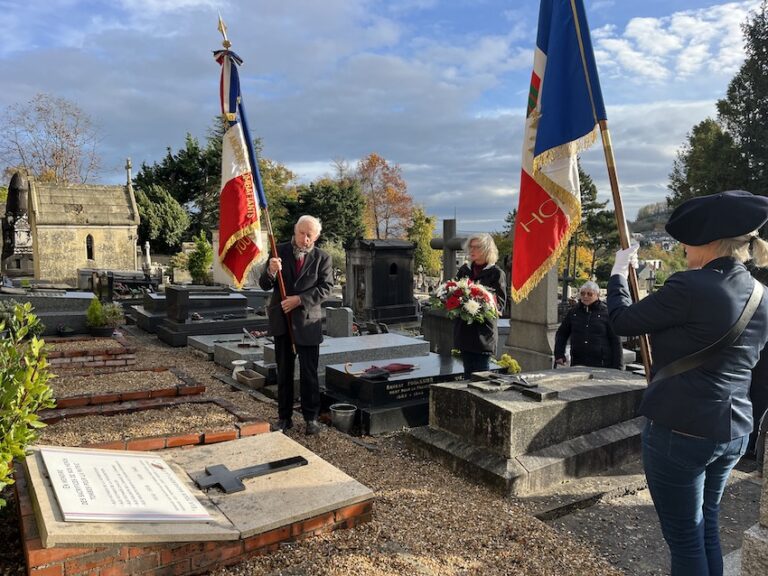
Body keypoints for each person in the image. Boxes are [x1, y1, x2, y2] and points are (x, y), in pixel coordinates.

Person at [607, 190, 768, 576]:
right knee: (706, 525)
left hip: (681, 428)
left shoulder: (690, 286)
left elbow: (622, 321)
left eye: (688, 241)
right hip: (734, 429)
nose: (683, 248)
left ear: (710, 243)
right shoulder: (762, 294)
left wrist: (617, 274)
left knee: (684, 538)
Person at [259, 215, 333, 436]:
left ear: (316, 237)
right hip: (283, 322)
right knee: (284, 372)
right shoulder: (278, 251)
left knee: (309, 374)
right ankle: (284, 417)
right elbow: (264, 284)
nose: (305, 239)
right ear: (295, 230)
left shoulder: (323, 258)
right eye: (302, 233)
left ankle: (311, 418)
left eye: (310, 235)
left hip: (308, 323)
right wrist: (271, 271)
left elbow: (326, 288)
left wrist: (299, 300)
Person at [454, 233, 507, 378]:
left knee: (481, 377)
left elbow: (500, 305)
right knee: (467, 375)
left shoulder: (496, 273)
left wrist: (478, 302)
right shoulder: (464, 270)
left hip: (483, 335)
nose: (472, 250)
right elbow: (454, 293)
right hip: (464, 332)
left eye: (476, 247)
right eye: (470, 247)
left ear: (486, 249)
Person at [554, 280, 623, 369]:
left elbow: (616, 341)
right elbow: (562, 333)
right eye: (582, 293)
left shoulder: (606, 313)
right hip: (578, 362)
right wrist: (559, 354)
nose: (585, 296)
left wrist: (618, 367)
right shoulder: (574, 312)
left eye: (590, 294)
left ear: (597, 295)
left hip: (602, 364)